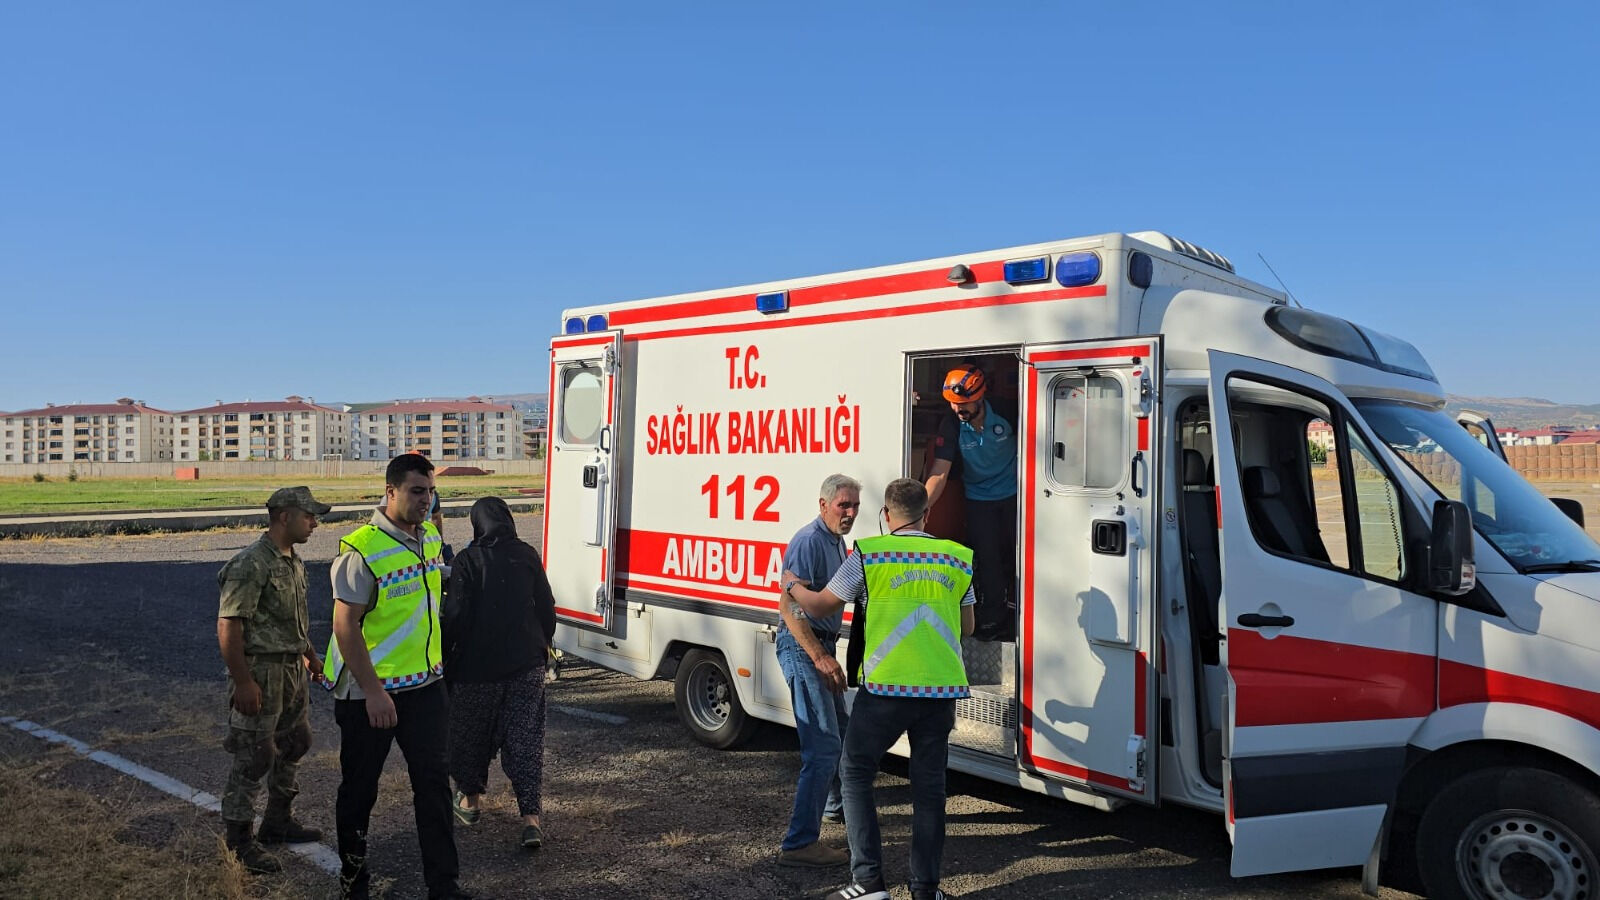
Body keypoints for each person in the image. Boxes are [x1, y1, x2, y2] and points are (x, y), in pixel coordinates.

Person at [790, 478, 976, 900]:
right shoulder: (958, 557)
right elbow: (967, 627)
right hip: (939, 692)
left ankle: (868, 883)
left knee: (855, 773)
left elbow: (820, 605)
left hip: (887, 689)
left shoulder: (870, 554)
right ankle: (925, 890)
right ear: (927, 514)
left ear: (887, 515)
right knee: (930, 790)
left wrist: (791, 585)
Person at [325, 454, 471, 900]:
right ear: (390, 492)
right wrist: (373, 693)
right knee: (359, 792)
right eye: (416, 491)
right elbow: (345, 627)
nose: (425, 500)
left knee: (433, 787)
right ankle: (354, 884)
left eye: (430, 491)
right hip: (369, 695)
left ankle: (444, 886)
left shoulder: (427, 538)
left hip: (424, 689)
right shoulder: (361, 551)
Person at [216, 486, 331, 874]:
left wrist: (312, 657)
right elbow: (229, 625)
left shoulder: (292, 562)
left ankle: (277, 822)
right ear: (285, 516)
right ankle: (239, 841)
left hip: (292, 670)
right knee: (255, 754)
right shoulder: (251, 564)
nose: (315, 522)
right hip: (261, 672)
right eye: (309, 515)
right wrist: (243, 682)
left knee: (297, 741)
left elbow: (291, 621)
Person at [443, 496, 558, 850]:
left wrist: (446, 656)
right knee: (525, 740)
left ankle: (470, 803)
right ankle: (531, 819)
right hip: (526, 665)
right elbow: (547, 607)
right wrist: (542, 645)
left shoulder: (467, 560)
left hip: (477, 669)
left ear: (477, 523)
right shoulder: (526, 555)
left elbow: (456, 616)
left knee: (469, 735)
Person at [773, 474, 862, 868]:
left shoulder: (837, 542)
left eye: (855, 505)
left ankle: (831, 809)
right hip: (802, 647)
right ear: (823, 504)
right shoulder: (808, 541)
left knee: (841, 734)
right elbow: (788, 608)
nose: (850, 512)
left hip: (822, 646)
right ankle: (799, 843)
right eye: (843, 505)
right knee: (823, 745)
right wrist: (819, 657)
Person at [924, 364, 1017, 642]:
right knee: (987, 561)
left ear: (981, 396)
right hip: (978, 499)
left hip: (1015, 495)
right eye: (953, 404)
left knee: (1016, 557)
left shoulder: (1006, 410)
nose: (957, 409)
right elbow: (939, 473)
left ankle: (1020, 612)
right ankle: (992, 619)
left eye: (963, 404)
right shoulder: (952, 424)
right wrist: (920, 508)